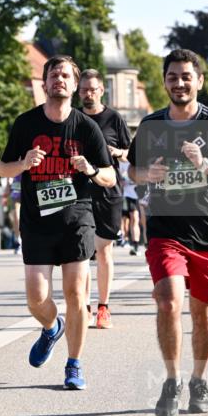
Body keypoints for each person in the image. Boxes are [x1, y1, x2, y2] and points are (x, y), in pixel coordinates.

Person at [128, 48, 208, 416]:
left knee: (204, 311)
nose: (178, 83)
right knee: (167, 300)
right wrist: (146, 174)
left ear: (198, 81)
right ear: (164, 81)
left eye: (185, 76)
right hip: (166, 228)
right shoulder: (150, 126)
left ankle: (198, 379)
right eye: (172, 77)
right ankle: (172, 379)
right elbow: (133, 171)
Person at [0, 55, 115, 390]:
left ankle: (74, 364)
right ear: (44, 83)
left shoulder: (85, 127)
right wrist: (23, 162)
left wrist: (90, 169)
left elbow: (109, 176)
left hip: (77, 217)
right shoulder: (26, 124)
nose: (59, 80)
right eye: (53, 75)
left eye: (65, 75)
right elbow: (1, 169)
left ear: (75, 85)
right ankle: (51, 327)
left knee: (77, 293)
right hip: (37, 220)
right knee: (36, 298)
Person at [79, 69, 131, 328]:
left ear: (101, 91)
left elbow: (132, 153)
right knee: (84, 252)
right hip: (79, 193)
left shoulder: (114, 118)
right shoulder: (74, 119)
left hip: (109, 192)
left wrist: (118, 152)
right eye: (84, 90)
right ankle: (85, 307)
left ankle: (104, 307)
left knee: (103, 250)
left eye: (92, 89)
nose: (88, 94)